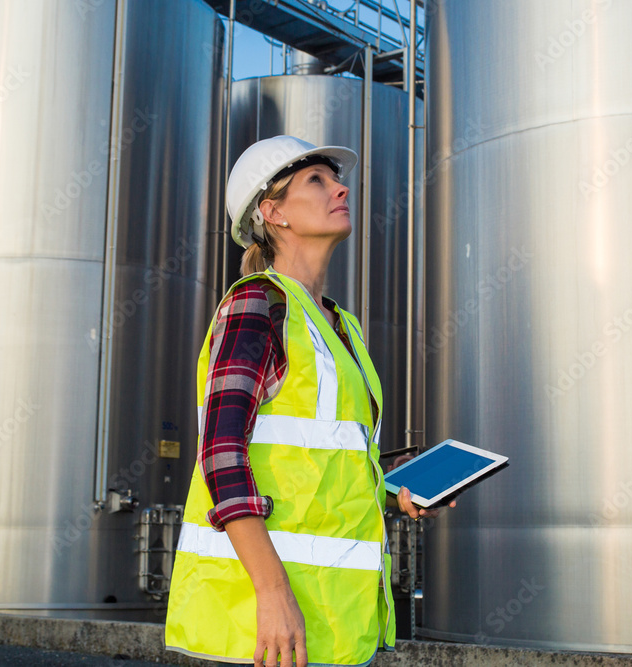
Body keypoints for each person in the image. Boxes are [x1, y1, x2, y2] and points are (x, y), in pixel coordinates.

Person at [164, 135, 453, 667]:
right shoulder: (258, 303)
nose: (341, 187)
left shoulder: (342, 326)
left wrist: (394, 489)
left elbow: (319, 463)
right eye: (316, 180)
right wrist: (272, 594)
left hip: (335, 626)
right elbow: (221, 453)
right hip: (260, 625)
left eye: (335, 178)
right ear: (273, 213)